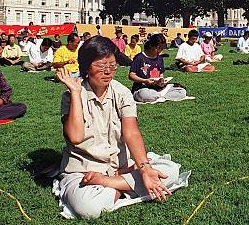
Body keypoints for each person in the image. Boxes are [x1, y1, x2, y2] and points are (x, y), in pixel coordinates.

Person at [53, 37, 183, 219]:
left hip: (121, 166)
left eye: (112, 65)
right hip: (84, 171)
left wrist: (144, 169)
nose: (108, 72)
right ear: (86, 67)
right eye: (101, 66)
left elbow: (131, 133)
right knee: (88, 207)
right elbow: (75, 137)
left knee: (171, 171)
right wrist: (75, 93)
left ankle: (110, 183)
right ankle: (125, 186)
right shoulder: (71, 96)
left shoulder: (121, 92)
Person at [129, 34, 187, 102]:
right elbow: (131, 75)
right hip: (142, 88)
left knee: (182, 91)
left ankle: (160, 96)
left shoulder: (160, 58)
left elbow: (161, 74)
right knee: (144, 94)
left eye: (161, 49)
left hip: (158, 88)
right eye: (158, 48)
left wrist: (162, 81)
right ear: (151, 45)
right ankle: (159, 96)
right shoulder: (139, 57)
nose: (159, 51)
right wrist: (145, 81)